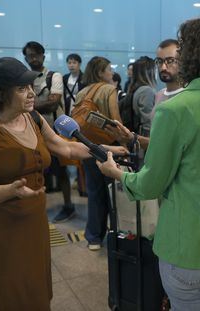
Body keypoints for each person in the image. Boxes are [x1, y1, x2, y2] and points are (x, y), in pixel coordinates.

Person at [97, 15, 200, 311]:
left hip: (190, 250)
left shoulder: (176, 109)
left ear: (193, 54)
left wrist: (118, 175)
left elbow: (151, 184)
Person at [0, 57, 126, 310]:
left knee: (33, 285)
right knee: (6, 289)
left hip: (33, 219)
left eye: (31, 87)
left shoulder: (34, 118)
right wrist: (11, 189)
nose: (31, 94)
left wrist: (104, 149)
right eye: (22, 88)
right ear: (1, 93)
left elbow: (66, 149)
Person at [22, 41, 74, 223]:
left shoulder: (54, 76)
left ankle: (68, 206)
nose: (33, 58)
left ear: (43, 56)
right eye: (29, 55)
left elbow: (53, 102)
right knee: (36, 170)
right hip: (32, 131)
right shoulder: (25, 79)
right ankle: (37, 207)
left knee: (61, 170)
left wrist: (29, 105)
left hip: (54, 130)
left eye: (36, 54)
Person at [74, 56, 122, 250]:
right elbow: (116, 120)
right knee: (113, 193)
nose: (111, 72)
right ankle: (116, 236)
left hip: (87, 146)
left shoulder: (82, 92)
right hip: (110, 147)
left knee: (94, 192)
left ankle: (93, 237)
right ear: (101, 72)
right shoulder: (109, 89)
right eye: (109, 69)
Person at [154, 39, 184, 108]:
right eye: (159, 61)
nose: (163, 67)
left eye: (170, 61)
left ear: (181, 62)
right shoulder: (158, 95)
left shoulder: (188, 96)